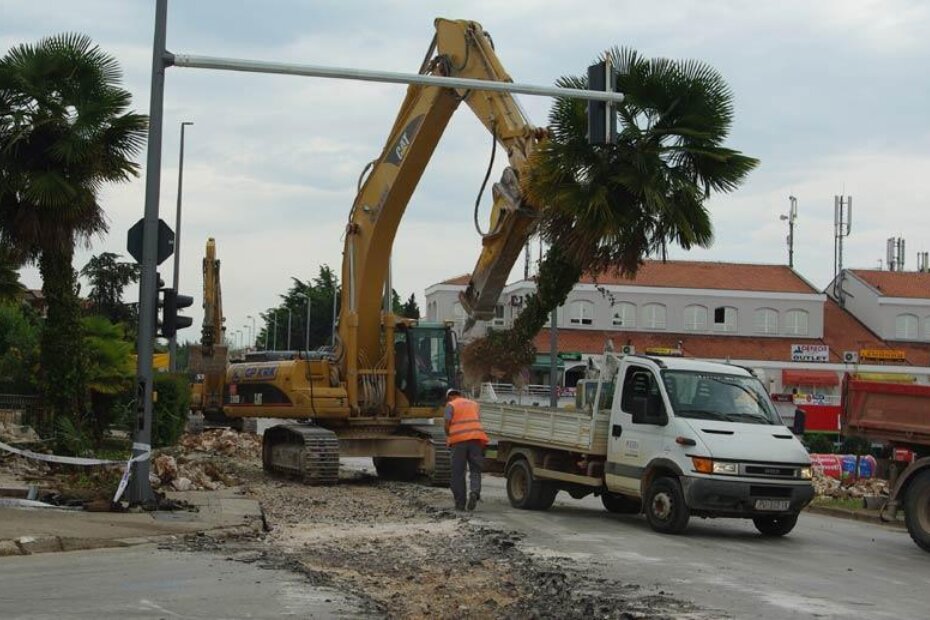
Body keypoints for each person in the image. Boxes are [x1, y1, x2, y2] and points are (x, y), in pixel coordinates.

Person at [444, 388, 488, 511]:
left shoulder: (450, 405)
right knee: (475, 470)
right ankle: (474, 492)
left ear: (450, 397)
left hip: (458, 441)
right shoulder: (474, 404)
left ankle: (460, 503)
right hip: (476, 439)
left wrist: (448, 435)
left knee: (458, 473)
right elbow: (477, 420)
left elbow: (447, 423)